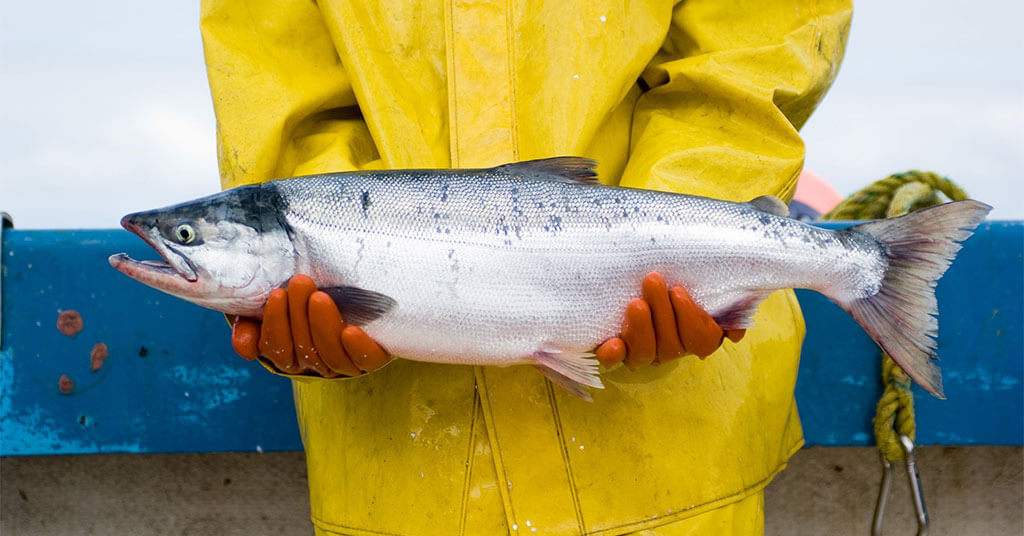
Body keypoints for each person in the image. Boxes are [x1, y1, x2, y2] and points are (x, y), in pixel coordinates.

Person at [200, 0, 852, 533]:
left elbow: (760, 40)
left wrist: (680, 259)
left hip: (675, 458)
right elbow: (280, 96)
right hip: (395, 488)